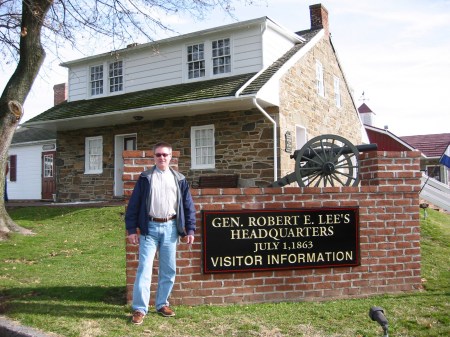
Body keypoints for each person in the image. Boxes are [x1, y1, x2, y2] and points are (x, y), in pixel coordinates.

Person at [125, 141, 196, 325]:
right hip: (149, 228)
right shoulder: (145, 178)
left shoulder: (179, 179)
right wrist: (132, 229)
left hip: (171, 229)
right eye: (158, 155)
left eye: (165, 154)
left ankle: (162, 304)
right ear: (154, 157)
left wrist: (190, 229)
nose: (162, 157)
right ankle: (140, 309)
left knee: (169, 269)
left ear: (171, 157)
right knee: (144, 269)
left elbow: (188, 206)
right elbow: (134, 205)